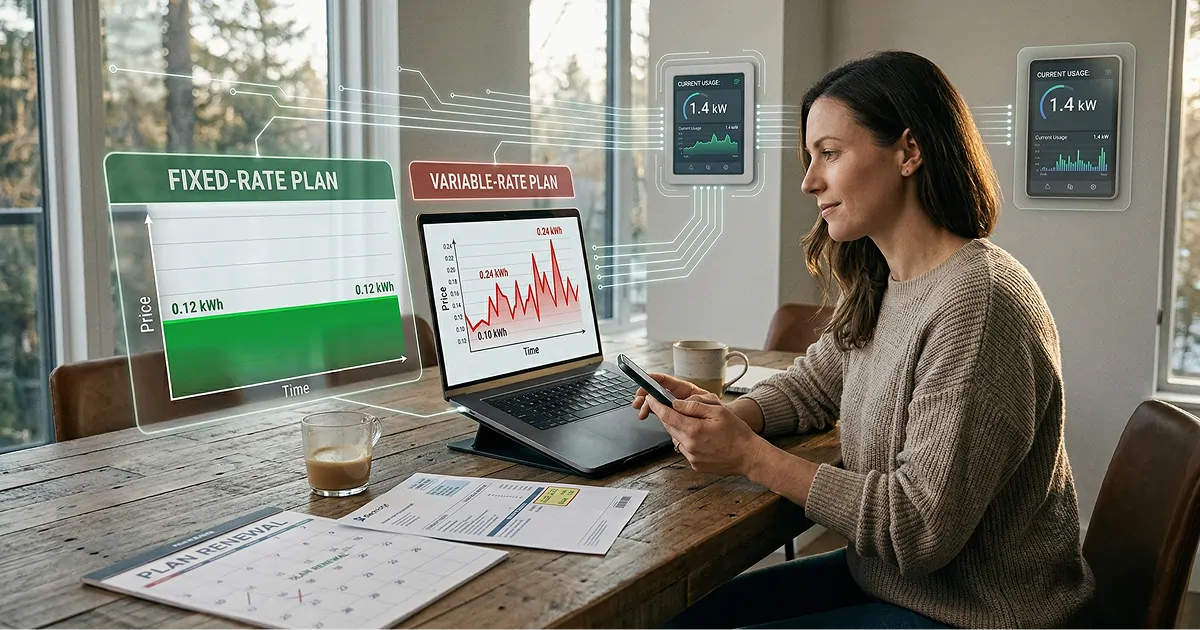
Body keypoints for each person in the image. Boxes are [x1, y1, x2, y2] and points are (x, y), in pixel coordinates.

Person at [634, 50, 1095, 629]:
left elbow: (918, 528)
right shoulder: (888, 280)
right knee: (672, 617)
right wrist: (723, 416)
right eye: (810, 158)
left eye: (829, 153)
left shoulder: (979, 301)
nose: (809, 180)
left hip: (977, 614)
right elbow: (812, 386)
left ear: (909, 151)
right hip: (891, 583)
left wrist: (749, 458)